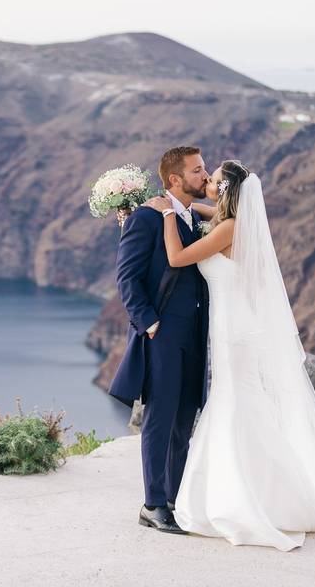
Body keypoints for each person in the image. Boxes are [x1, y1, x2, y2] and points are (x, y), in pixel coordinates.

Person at [141, 159, 315, 552]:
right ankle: (262, 487)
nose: (208, 184)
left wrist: (166, 215)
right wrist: (180, 206)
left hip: (234, 334)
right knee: (239, 405)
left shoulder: (230, 229)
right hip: (235, 329)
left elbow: (179, 258)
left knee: (235, 406)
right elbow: (205, 210)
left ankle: (251, 496)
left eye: (213, 180)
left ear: (228, 192)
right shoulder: (232, 221)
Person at [108, 145, 210, 534]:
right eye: (198, 170)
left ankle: (174, 498)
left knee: (185, 418)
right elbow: (127, 277)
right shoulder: (146, 218)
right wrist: (148, 323)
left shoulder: (189, 214)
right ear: (175, 179)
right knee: (159, 419)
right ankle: (152, 504)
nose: (204, 176)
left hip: (195, 335)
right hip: (163, 335)